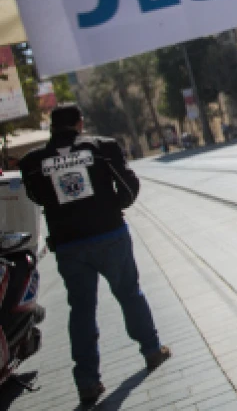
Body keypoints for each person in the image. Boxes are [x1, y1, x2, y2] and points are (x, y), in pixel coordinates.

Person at [19, 105, 171, 405]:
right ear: (79, 124)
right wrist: (113, 206)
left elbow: (36, 196)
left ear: (52, 128)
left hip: (68, 245)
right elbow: (129, 184)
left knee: (82, 309)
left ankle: (88, 381)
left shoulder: (33, 162)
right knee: (129, 293)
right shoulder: (103, 147)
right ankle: (152, 351)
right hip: (109, 235)